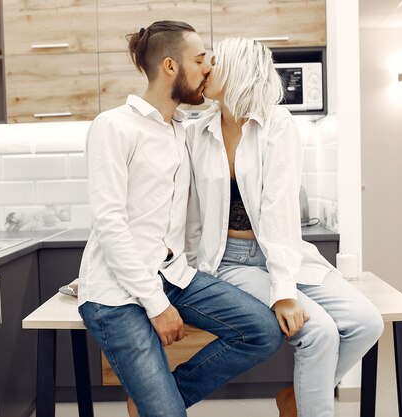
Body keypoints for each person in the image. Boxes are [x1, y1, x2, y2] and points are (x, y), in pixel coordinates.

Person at [77, 22, 283, 417]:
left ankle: (159, 399)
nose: (208, 68)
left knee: (262, 330)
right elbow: (110, 224)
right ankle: (162, 405)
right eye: (200, 60)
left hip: (173, 277)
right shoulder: (114, 126)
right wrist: (155, 305)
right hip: (116, 296)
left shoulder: (183, 131)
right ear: (171, 66)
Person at [185, 37, 384, 417]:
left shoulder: (278, 126)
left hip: (281, 254)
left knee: (366, 322)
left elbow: (279, 210)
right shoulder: (195, 132)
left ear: (238, 71)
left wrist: (284, 290)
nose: (205, 69)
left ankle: (296, 397)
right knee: (319, 332)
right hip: (229, 261)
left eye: (214, 63)